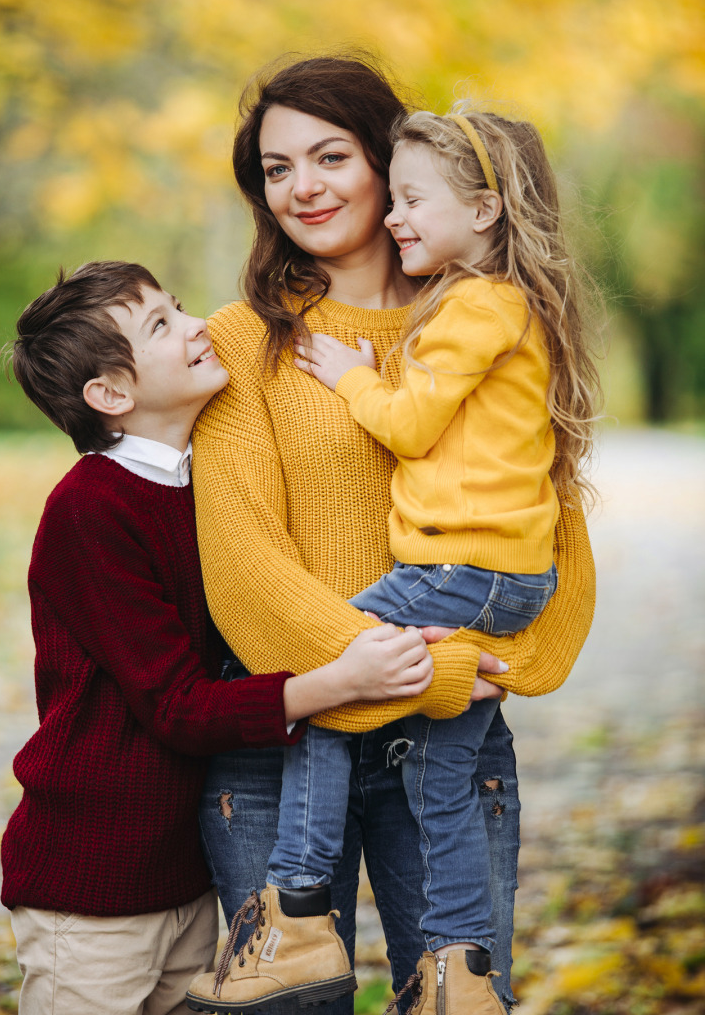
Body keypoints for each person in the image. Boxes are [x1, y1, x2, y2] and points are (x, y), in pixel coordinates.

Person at [186, 57, 596, 1015]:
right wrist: (393, 666)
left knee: (456, 1001)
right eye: (277, 169)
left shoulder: (483, 324)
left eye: (330, 156)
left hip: (451, 738)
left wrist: (507, 658)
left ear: (392, 162)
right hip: (284, 734)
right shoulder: (244, 341)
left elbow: (550, 528)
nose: (304, 187)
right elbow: (241, 567)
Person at [0, 260, 434, 1015]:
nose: (199, 325)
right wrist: (342, 681)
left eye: (178, 306)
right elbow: (178, 705)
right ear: (111, 394)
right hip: (93, 891)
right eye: (161, 326)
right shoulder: (92, 510)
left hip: (188, 885)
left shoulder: (205, 479)